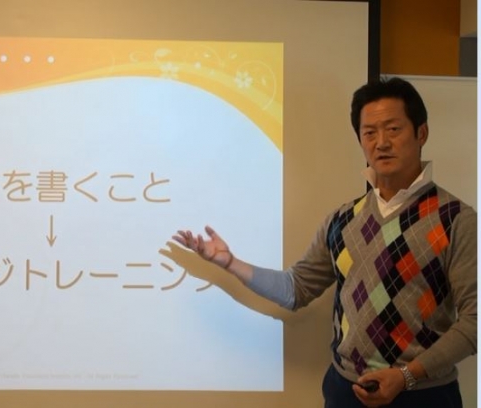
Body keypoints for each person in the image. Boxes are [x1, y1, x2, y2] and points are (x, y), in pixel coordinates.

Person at [173, 77, 477, 408]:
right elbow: (295, 289)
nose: (381, 142)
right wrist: (230, 262)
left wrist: (406, 375)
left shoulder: (456, 219)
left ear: (422, 133)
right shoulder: (342, 220)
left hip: (424, 395)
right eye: (369, 132)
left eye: (393, 129)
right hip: (345, 391)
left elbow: (474, 321)